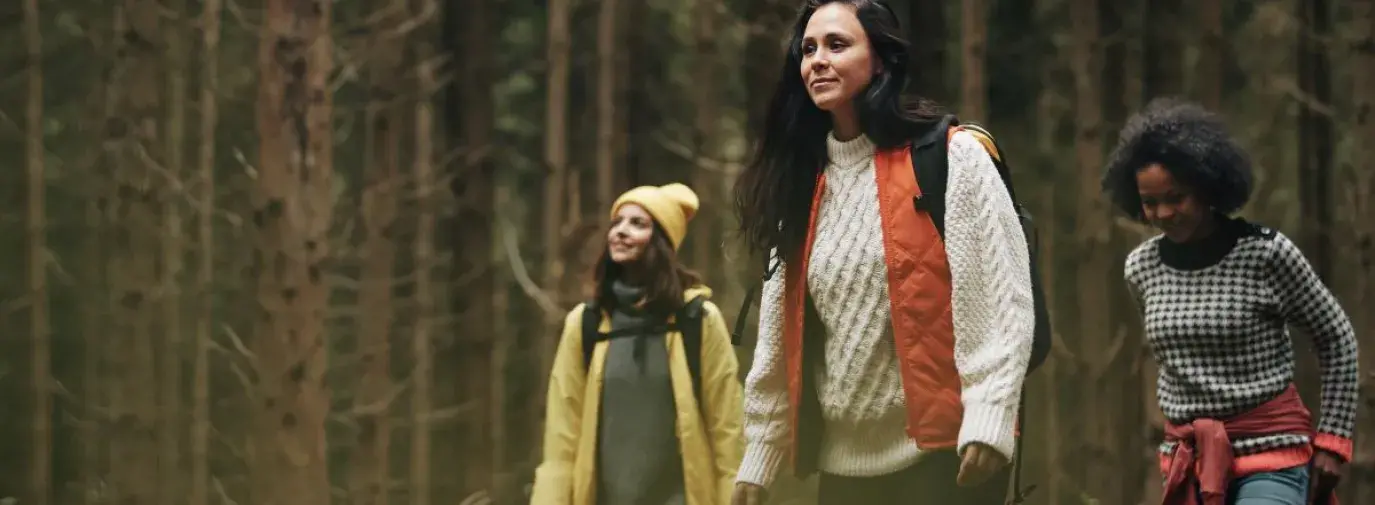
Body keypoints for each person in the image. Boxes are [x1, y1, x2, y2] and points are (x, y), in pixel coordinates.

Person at [730, 1, 1037, 503]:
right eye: (808, 50)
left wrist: (990, 413)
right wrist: (760, 450)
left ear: (881, 61)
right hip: (842, 467)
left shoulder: (950, 157)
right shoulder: (801, 185)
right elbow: (779, 331)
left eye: (837, 44)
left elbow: (999, 296)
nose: (817, 61)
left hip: (944, 457)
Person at [1103, 97, 1360, 505]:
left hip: (1271, 449)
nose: (1165, 212)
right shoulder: (1141, 268)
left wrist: (1334, 439)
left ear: (1207, 188)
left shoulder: (1266, 254)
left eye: (1177, 197)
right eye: (1151, 203)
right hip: (1191, 460)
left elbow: (1337, 337)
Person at [530, 183, 744, 505]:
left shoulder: (696, 321)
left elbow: (727, 428)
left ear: (661, 240)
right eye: (617, 222)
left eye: (637, 223)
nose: (620, 231)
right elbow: (563, 434)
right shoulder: (587, 324)